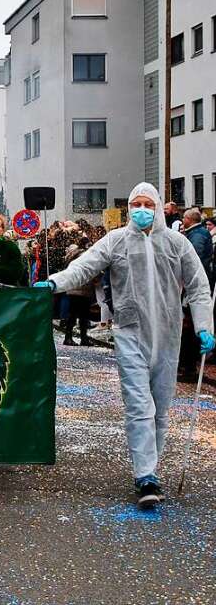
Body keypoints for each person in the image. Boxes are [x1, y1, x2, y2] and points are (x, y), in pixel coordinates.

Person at [36, 183, 214, 508]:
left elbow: (199, 287)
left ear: (158, 207)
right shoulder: (116, 241)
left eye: (148, 203)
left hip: (169, 335)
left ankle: (151, 469)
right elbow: (85, 266)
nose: (142, 210)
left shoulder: (177, 244)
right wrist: (54, 283)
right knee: (139, 406)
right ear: (130, 208)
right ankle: (145, 476)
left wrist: (204, 326)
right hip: (130, 333)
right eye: (136, 204)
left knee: (160, 410)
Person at [178, 208, 215, 380]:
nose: (182, 221)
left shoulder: (197, 236)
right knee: (187, 327)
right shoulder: (196, 234)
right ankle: (186, 365)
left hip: (192, 290)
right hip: (191, 289)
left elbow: (194, 263)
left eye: (184, 218)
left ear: (189, 220)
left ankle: (188, 367)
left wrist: (186, 279)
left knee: (188, 328)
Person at [61, 237, 94, 347]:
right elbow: (89, 270)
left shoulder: (73, 255)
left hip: (73, 288)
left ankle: (70, 336)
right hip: (82, 288)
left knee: (73, 314)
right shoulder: (84, 255)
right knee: (83, 315)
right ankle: (81, 338)